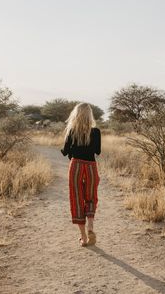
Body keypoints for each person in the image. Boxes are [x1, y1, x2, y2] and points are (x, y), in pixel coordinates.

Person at [61, 103, 101, 247]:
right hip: (91, 167)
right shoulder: (96, 132)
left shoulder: (71, 131)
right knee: (91, 198)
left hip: (76, 166)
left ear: (75, 114)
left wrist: (72, 150)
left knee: (77, 199)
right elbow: (97, 151)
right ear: (90, 115)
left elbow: (65, 152)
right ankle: (90, 226)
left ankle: (84, 238)